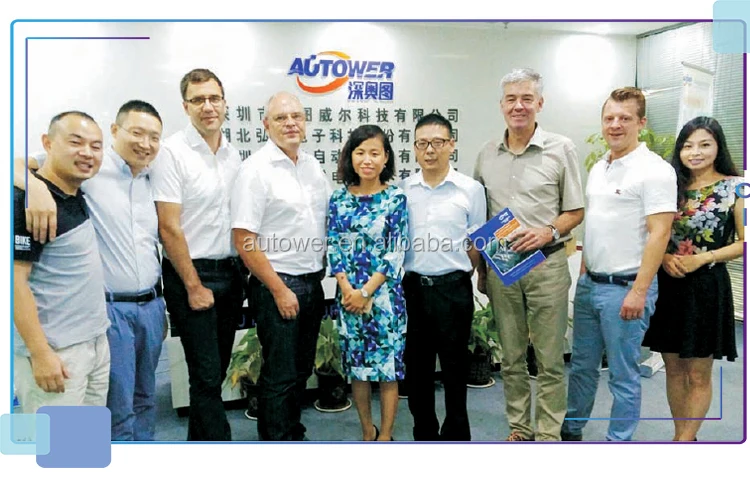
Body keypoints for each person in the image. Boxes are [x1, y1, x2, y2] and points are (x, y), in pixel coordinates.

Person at [14, 101, 167, 441]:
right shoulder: (85, 175)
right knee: (106, 417)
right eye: (137, 133)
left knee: (142, 400)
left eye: (154, 137)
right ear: (116, 131)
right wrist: (33, 186)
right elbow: (13, 283)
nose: (145, 143)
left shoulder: (152, 175)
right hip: (96, 320)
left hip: (134, 314)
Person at [473, 68, 584, 441]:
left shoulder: (561, 148)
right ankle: (519, 427)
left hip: (547, 264)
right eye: (511, 99)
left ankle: (548, 433)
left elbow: (575, 210)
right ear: (501, 105)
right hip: (502, 267)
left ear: (540, 103)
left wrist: (547, 231)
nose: (518, 106)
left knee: (550, 359)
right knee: (511, 357)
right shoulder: (486, 154)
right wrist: (482, 271)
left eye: (526, 98)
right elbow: (482, 216)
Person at [561, 87, 676, 442]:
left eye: (625, 118)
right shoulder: (600, 166)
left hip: (627, 288)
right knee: (581, 367)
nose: (615, 125)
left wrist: (639, 291)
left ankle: (618, 442)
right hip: (590, 284)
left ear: (641, 123)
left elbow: (660, 233)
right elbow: (595, 225)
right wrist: (584, 272)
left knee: (622, 374)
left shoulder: (655, 170)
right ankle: (572, 429)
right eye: (609, 118)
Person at [231, 91, 331, 441]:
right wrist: (278, 289)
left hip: (312, 283)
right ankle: (276, 443)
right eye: (281, 118)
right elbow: (244, 238)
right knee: (280, 373)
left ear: (305, 122)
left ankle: (292, 432)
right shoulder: (255, 170)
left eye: (296, 116)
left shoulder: (312, 166)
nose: (290, 123)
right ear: (266, 124)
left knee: (301, 369)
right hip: (278, 285)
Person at [151, 68, 244, 441]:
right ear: (185, 106)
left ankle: (197, 445)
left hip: (230, 274)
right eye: (198, 99)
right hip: (190, 274)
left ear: (225, 103)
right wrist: (192, 285)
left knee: (214, 373)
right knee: (205, 374)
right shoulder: (171, 153)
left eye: (214, 98)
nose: (208, 106)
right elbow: (168, 227)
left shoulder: (233, 155)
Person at [642, 117, 743, 442]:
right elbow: (651, 231)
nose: (695, 152)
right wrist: (664, 257)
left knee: (698, 373)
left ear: (718, 147)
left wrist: (703, 257)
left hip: (707, 288)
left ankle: (683, 441)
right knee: (674, 369)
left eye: (704, 145)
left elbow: (745, 242)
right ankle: (683, 434)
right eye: (688, 146)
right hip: (669, 285)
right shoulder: (670, 186)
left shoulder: (738, 187)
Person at [13, 111, 110, 413]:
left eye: (96, 146)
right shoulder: (27, 204)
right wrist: (40, 353)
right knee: (58, 442)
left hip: (93, 343)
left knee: (86, 438)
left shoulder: (74, 192)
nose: (87, 153)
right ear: (48, 143)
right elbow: (13, 283)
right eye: (76, 142)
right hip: (57, 353)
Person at [400, 113, 485, 441]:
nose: (430, 150)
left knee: (455, 369)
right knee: (417, 369)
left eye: (437, 142)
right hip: (414, 289)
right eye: (422, 143)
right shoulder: (404, 189)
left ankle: (456, 437)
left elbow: (477, 241)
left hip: (453, 289)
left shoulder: (471, 189)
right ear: (414, 148)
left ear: (451, 145)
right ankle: (424, 434)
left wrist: (461, 271)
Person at [327, 124, 408, 442]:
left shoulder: (396, 198)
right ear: (351, 156)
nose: (367, 160)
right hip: (349, 299)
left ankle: (385, 436)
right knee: (358, 371)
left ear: (386, 157)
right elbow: (334, 246)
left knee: (387, 371)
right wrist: (349, 290)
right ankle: (367, 432)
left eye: (375, 153)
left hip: (384, 299)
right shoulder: (338, 198)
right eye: (360, 152)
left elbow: (395, 251)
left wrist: (366, 291)